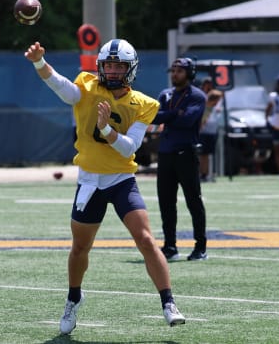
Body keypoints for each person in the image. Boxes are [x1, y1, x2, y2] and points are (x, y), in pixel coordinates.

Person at [24, 39, 186, 334]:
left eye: (118, 66)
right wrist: (38, 62)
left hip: (122, 180)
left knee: (146, 239)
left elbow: (129, 148)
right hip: (90, 180)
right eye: (108, 65)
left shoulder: (143, 104)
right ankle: (73, 297)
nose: (111, 71)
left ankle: (168, 302)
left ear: (130, 69)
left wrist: (106, 129)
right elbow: (61, 86)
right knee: (80, 247)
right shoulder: (87, 87)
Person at [151, 57, 208, 264]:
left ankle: (200, 246)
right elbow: (154, 117)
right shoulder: (165, 94)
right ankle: (170, 246)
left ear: (190, 74)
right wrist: (175, 113)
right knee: (166, 202)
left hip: (186, 154)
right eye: (173, 70)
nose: (175, 74)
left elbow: (187, 121)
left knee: (193, 201)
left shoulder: (198, 96)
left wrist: (170, 116)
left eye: (180, 71)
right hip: (166, 154)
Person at [199, 89, 223, 182]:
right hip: (203, 134)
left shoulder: (212, 108)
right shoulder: (204, 107)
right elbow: (201, 122)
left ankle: (206, 174)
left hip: (211, 133)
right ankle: (203, 174)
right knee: (203, 155)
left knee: (207, 155)